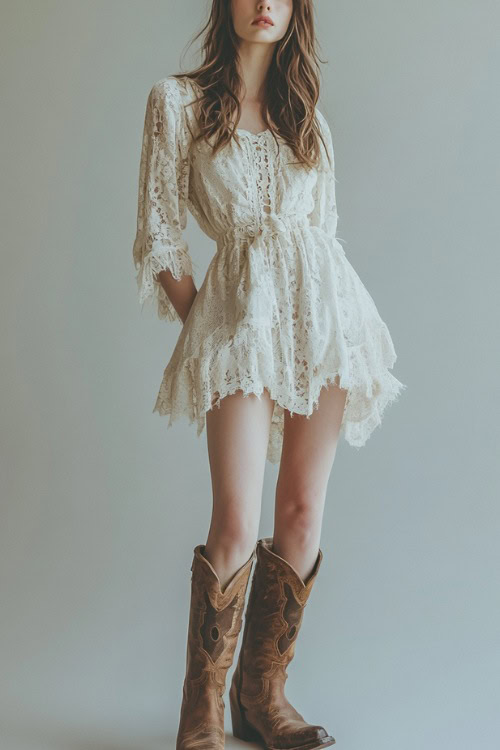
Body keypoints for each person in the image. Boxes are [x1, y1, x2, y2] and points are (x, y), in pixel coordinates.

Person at [132, 2, 406, 747]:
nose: (265, 4)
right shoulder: (178, 102)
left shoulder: (305, 117)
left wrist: (306, 323)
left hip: (324, 324)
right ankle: (203, 712)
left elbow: (325, 236)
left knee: (301, 516)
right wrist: (213, 328)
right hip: (239, 330)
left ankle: (265, 696)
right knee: (233, 521)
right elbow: (161, 236)